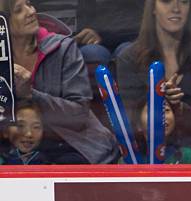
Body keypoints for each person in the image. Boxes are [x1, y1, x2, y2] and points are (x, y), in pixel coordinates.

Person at [0, 0, 118, 164]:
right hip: (16, 150)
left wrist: (30, 94)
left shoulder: (63, 48)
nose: (31, 11)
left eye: (29, 4)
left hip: (73, 147)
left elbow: (78, 116)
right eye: (19, 10)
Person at [115, 0, 191, 159]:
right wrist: (155, 100)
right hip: (148, 155)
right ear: (153, 8)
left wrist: (181, 109)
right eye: (167, 1)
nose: (176, 9)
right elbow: (130, 127)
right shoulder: (129, 58)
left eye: (183, 2)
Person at [134, 98, 191, 164]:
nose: (161, 116)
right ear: (138, 125)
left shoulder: (187, 157)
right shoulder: (130, 158)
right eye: (152, 111)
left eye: (166, 110)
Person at [0, 100, 50, 164]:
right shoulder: (2, 161)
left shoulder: (48, 163)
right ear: (5, 130)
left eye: (36, 127)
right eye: (20, 126)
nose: (29, 134)